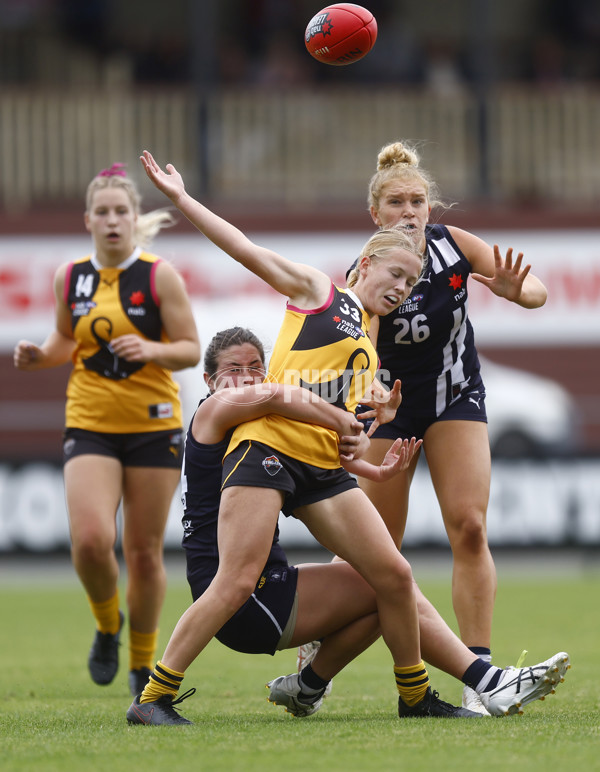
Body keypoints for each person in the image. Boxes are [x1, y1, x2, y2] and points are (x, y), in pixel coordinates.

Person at [125, 150, 560, 725]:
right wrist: (182, 200)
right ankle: (153, 698)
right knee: (235, 580)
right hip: (268, 452)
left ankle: (416, 698)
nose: (402, 289)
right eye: (394, 275)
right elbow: (245, 250)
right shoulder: (316, 292)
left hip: (319, 470)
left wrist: (374, 455)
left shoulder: (366, 352)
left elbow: (347, 436)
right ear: (364, 264)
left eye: (410, 282)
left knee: (394, 575)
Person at [127, 325, 570, 724]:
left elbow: (316, 474)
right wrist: (340, 414)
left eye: (254, 367)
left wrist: (376, 469)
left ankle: (320, 686)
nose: (245, 377)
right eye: (232, 369)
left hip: (269, 590)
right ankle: (154, 695)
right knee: (386, 579)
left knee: (388, 582)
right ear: (210, 381)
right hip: (242, 601)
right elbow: (277, 395)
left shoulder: (260, 431)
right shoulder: (216, 409)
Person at [337, 140, 549, 715]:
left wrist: (516, 292)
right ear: (375, 214)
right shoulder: (365, 270)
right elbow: (363, 350)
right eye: (396, 203)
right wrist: (373, 391)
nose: (409, 211)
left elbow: (538, 291)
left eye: (418, 201)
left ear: (431, 209)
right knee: (375, 550)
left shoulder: (455, 248)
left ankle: (478, 673)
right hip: (392, 409)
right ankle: (318, 656)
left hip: (456, 395)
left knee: (471, 527)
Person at [13, 162, 201, 696]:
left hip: (152, 424)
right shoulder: (69, 277)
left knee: (143, 552)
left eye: (122, 211)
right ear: (88, 220)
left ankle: (143, 664)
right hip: (90, 421)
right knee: (92, 541)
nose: (113, 220)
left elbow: (189, 349)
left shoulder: (158, 275)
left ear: (134, 217)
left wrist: (152, 349)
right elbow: (63, 341)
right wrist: (38, 356)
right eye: (103, 212)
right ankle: (106, 624)